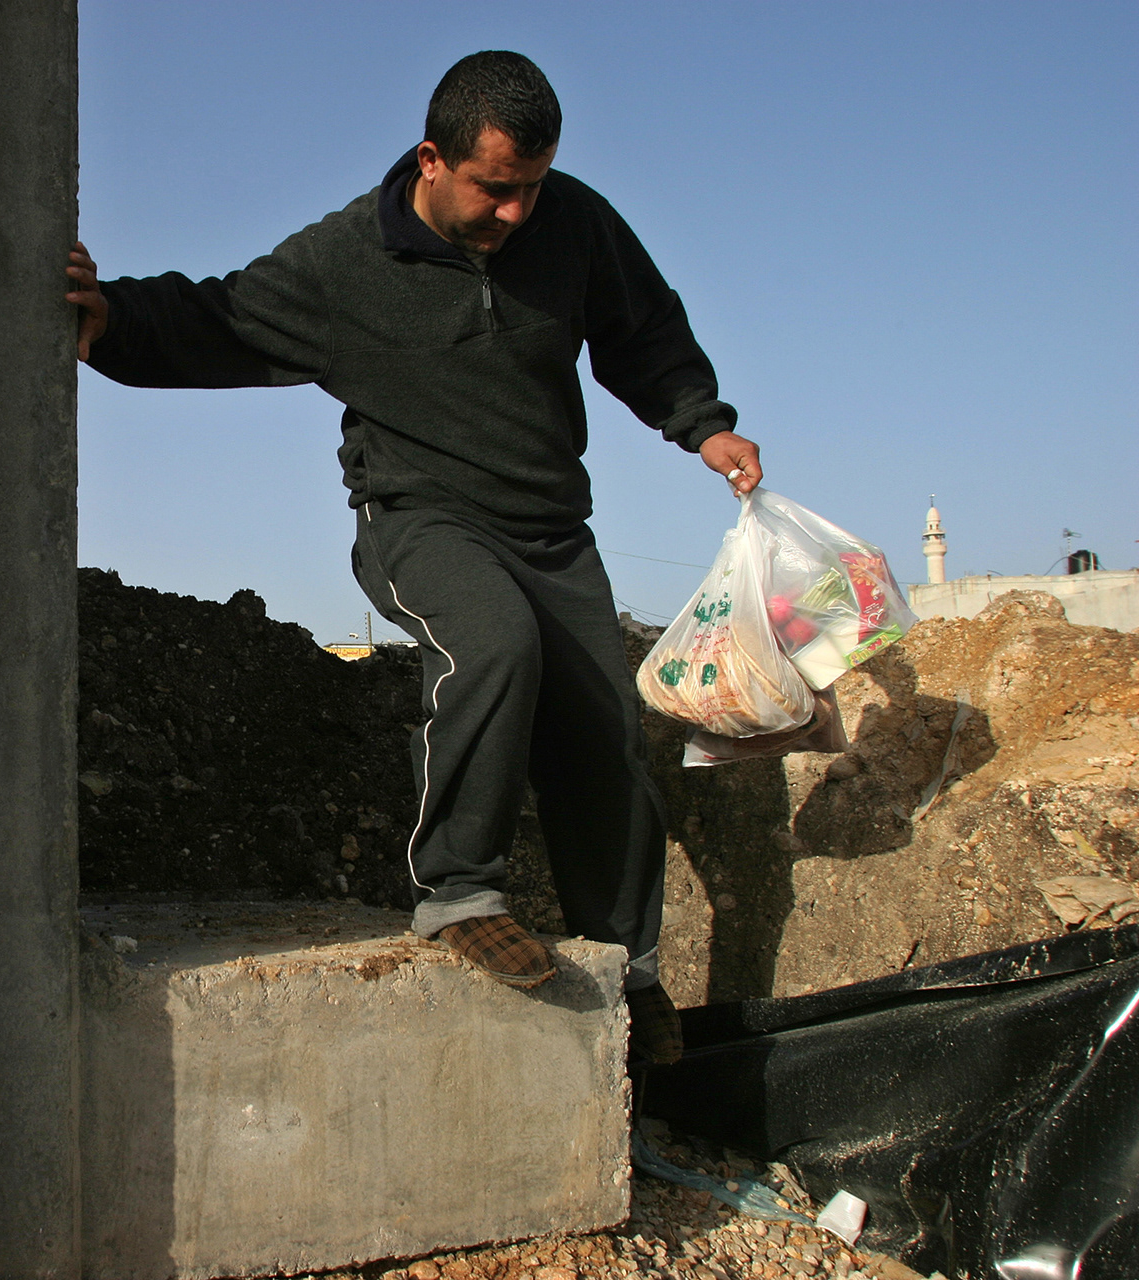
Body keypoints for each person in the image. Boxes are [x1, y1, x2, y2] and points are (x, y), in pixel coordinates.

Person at [65, 51, 761, 1064]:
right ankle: (459, 890)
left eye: (533, 186)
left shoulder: (574, 223)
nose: (519, 212)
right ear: (433, 159)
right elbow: (221, 315)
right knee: (491, 643)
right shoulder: (349, 263)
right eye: (497, 188)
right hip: (420, 518)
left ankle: (631, 966)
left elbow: (641, 329)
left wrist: (701, 425)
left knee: (604, 730)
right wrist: (112, 318)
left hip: (551, 527)